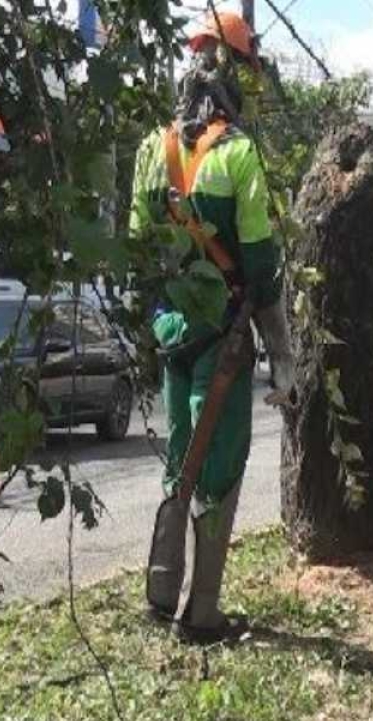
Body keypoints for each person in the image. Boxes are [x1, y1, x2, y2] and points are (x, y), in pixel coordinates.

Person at [130, 10, 294, 642]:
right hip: (225, 334)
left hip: (174, 330)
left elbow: (139, 249)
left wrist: (158, 321)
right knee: (218, 460)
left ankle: (162, 591)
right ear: (230, 71)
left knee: (181, 454)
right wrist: (280, 349)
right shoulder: (239, 156)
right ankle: (201, 614)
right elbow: (259, 263)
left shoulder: (153, 148)